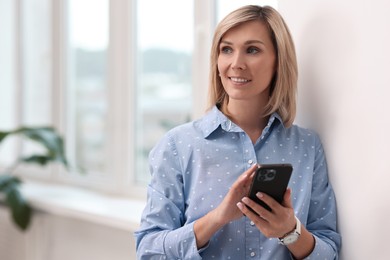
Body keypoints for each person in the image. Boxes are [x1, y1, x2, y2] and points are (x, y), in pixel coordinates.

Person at [135, 5, 341, 260]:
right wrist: (217, 218)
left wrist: (290, 231)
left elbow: (329, 251)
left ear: (279, 60)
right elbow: (149, 249)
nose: (236, 64)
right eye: (226, 49)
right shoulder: (178, 145)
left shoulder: (306, 146)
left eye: (252, 50)